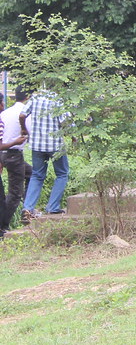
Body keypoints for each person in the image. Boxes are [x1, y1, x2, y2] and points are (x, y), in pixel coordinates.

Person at [21, 88, 72, 217]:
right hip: (55, 145)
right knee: (62, 174)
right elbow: (65, 122)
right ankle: (53, 207)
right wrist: (73, 135)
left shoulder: (35, 98)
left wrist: (24, 129)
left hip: (37, 145)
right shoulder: (58, 100)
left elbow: (22, 115)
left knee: (37, 175)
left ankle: (27, 208)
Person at [0, 88, 31, 236]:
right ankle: (3, 225)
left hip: (5, 155)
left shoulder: (5, 113)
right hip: (13, 154)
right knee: (15, 192)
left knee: (32, 173)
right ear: (28, 97)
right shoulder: (26, 112)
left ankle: (29, 205)